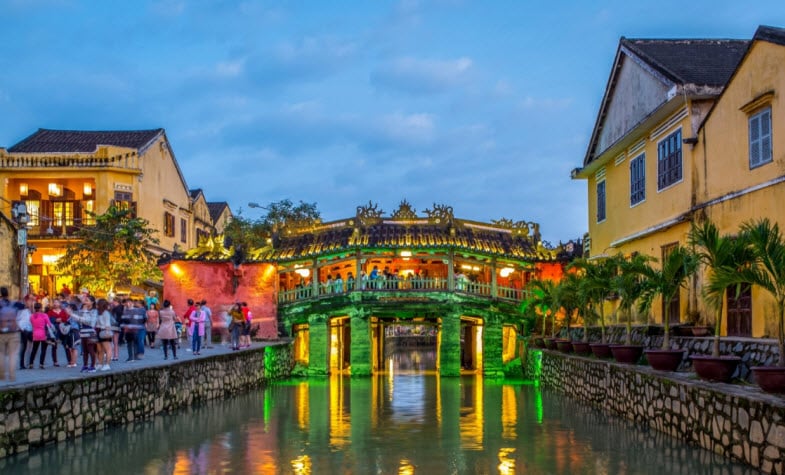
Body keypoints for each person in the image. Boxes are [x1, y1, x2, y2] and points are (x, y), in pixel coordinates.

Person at [67, 296, 98, 373]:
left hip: (90, 333)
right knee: (85, 351)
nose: (85, 302)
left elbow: (89, 322)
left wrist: (73, 315)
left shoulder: (94, 311)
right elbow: (78, 319)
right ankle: (85, 365)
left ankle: (93, 366)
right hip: (83, 332)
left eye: (87, 300)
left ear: (92, 302)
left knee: (91, 350)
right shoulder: (83, 310)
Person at [0, 295, 21, 382]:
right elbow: (23, 306)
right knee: (13, 355)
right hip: (13, 332)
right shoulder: (13, 304)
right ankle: (12, 376)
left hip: (1, 333)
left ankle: (2, 376)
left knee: (1, 354)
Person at [47, 298, 69, 367]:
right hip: (55, 330)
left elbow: (66, 319)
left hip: (63, 329)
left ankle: (69, 360)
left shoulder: (63, 311)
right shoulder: (50, 312)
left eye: (57, 302)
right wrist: (55, 320)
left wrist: (61, 320)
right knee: (54, 345)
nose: (55, 304)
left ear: (59, 304)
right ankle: (55, 361)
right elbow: (48, 320)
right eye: (54, 302)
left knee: (66, 345)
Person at [94, 299, 114, 371]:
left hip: (101, 330)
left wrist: (107, 332)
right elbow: (106, 324)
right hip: (102, 331)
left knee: (104, 349)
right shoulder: (103, 313)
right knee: (103, 349)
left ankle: (105, 364)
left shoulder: (102, 313)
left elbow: (106, 324)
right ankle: (102, 364)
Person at [16, 296, 33, 371]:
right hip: (23, 329)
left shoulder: (30, 310)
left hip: (30, 329)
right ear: (26, 301)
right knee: (24, 347)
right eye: (30, 300)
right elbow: (16, 319)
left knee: (31, 345)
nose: (31, 302)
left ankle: (29, 362)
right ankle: (22, 364)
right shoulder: (20, 309)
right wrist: (20, 328)